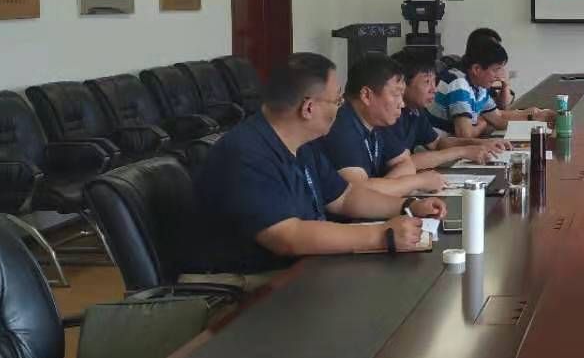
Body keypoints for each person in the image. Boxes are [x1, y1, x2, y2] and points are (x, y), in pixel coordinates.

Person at [187, 52, 446, 282]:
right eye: (337, 101)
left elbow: (344, 198)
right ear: (308, 108)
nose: (341, 108)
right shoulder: (245, 153)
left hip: (300, 267)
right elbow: (287, 236)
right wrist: (381, 235)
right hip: (249, 283)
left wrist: (408, 206)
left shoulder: (302, 144)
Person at [316, 52, 449, 197]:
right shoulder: (341, 127)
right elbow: (357, 194)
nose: (402, 104)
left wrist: (387, 188)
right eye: (396, 94)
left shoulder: (376, 121)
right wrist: (417, 181)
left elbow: (406, 163)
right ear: (366, 95)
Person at [389, 48, 510, 169]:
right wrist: (462, 151)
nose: (434, 89)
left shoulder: (415, 111)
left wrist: (483, 143)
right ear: (402, 85)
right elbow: (403, 163)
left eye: (434, 81)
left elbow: (437, 143)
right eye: (427, 82)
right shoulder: (390, 117)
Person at [430, 37, 554, 138]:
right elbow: (465, 135)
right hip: (436, 146)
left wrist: (535, 115)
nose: (499, 75)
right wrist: (483, 125)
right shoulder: (458, 84)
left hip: (453, 144)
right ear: (476, 69)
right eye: (495, 70)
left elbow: (498, 118)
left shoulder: (478, 86)